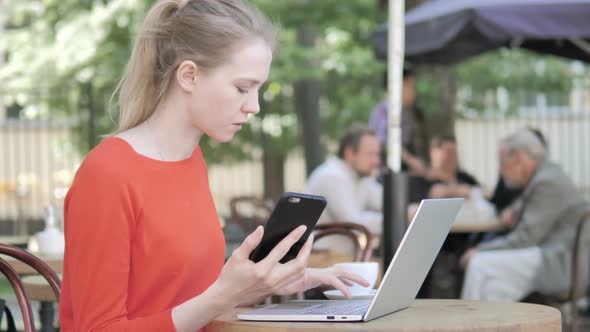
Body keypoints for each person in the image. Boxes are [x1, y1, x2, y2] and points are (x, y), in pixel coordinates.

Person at [59, 1, 368, 331]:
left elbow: (186, 301)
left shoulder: (192, 161)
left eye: (258, 89)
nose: (254, 106)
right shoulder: (108, 174)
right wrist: (222, 296)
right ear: (189, 75)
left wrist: (261, 285)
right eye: (242, 88)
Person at [460, 129, 588, 301]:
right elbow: (519, 209)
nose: (502, 171)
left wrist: (479, 250)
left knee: (479, 264)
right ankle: (488, 326)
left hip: (561, 263)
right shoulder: (546, 175)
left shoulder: (547, 181)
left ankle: (468, 326)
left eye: (503, 163)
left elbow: (525, 239)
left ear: (519, 157)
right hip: (553, 256)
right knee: (493, 287)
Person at [304, 125, 382, 254]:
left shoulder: (361, 176)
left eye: (377, 154)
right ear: (349, 153)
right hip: (319, 258)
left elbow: (385, 200)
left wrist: (408, 210)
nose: (376, 161)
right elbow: (353, 222)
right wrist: (400, 217)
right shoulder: (332, 176)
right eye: (370, 154)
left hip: (341, 258)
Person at [369, 68, 426, 176]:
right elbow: (386, 143)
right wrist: (412, 161)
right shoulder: (384, 111)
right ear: (399, 86)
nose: (414, 92)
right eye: (411, 86)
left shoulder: (407, 113)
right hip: (386, 177)